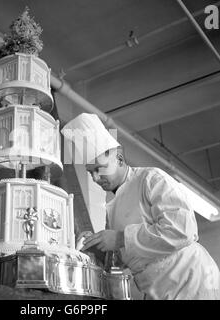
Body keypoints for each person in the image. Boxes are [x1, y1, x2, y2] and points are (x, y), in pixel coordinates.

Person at [61, 113, 220, 300]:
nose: (95, 178)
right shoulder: (112, 208)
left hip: (191, 280)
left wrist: (120, 238)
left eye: (98, 169)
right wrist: (96, 246)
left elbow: (181, 230)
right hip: (156, 288)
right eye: (90, 173)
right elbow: (125, 258)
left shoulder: (151, 179)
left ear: (119, 158)